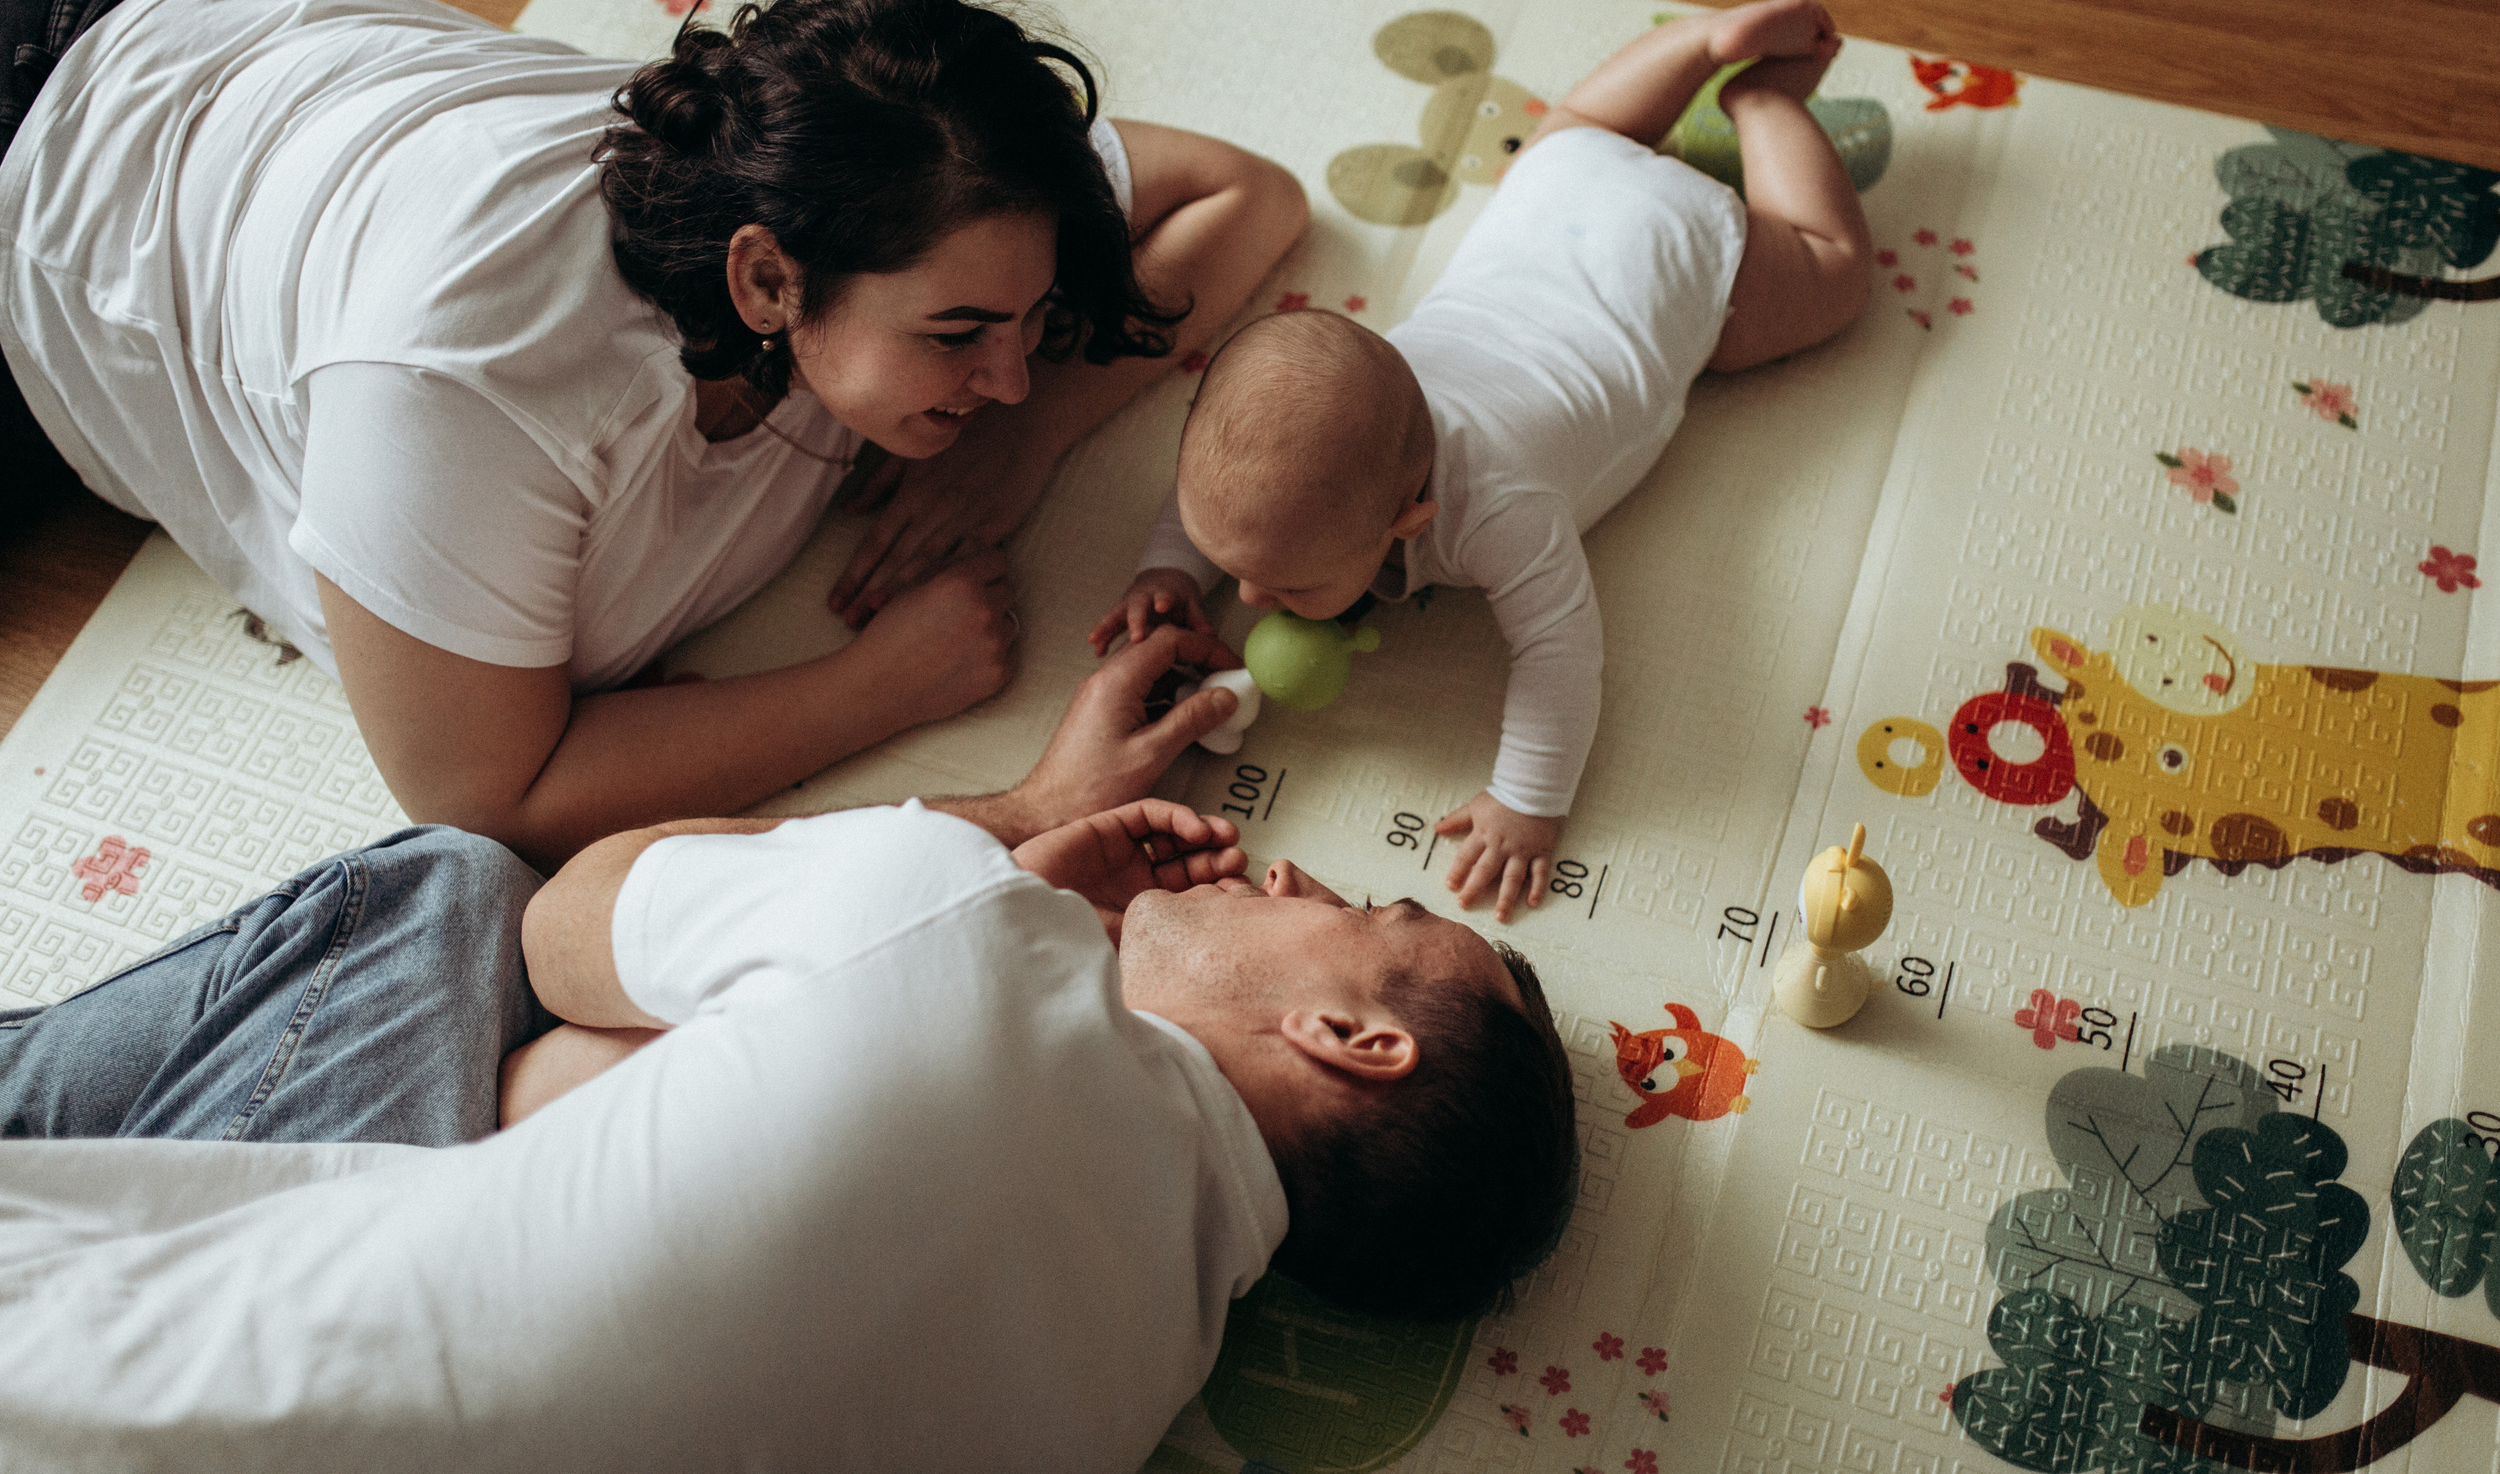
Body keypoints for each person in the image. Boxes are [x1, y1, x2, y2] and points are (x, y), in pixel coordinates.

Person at [0, 626, 1576, 1471]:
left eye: (1362, 905)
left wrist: (994, 836)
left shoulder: (948, 937)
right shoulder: (1130, 1388)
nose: (1290, 871)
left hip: (81, 1366)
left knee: (457, 887)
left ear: (1351, 1037)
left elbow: (567, 925)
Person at [0, 0, 1308, 866]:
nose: (1015, 373)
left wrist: (1013, 452)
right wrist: (885, 684)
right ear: (766, 282)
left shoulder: (900, 177)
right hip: (32, 157)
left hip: (180, 17)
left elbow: (1242, 192)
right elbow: (476, 795)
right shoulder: (469, 380)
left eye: (1031, 321)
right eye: (961, 333)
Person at [1090, 0, 1873, 919]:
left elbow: (1561, 652)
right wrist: (1170, 567)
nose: (1251, 600)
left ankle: (1759, 101)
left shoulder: (1500, 511)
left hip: (1683, 258)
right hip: (1561, 185)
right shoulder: (1337, 421)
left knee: (1833, 269)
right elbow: (1208, 493)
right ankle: (1701, 41)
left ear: (1411, 525)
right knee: (1580, 129)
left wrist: (1527, 801)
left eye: (1289, 588)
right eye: (1237, 573)